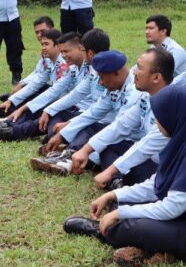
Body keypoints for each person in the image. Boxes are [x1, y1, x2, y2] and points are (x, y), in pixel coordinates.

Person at [62, 86, 186, 267]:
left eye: (159, 115)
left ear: (174, 115)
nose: (156, 121)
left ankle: (101, 231)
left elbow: (171, 208)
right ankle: (157, 250)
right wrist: (115, 195)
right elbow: (156, 184)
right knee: (123, 207)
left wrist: (120, 214)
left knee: (130, 227)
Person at [70, 48, 173, 190]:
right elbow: (121, 125)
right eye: (136, 66)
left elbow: (146, 146)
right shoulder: (146, 97)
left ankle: (117, 185)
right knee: (110, 147)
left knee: (130, 176)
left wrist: (110, 171)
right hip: (149, 161)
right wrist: (86, 150)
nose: (134, 72)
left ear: (156, 77)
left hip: (165, 170)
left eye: (140, 69)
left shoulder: (172, 106)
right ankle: (117, 183)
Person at [30, 50, 138, 174]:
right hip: (117, 137)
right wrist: (62, 135)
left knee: (105, 146)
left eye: (102, 78)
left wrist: (86, 153)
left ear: (116, 73)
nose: (101, 83)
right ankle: (68, 155)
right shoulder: (115, 87)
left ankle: (69, 161)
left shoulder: (134, 94)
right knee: (90, 126)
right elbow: (92, 112)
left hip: (130, 143)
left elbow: (118, 129)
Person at [0, 32, 84, 142]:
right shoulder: (70, 68)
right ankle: (2, 124)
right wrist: (15, 98)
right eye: (42, 44)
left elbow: (66, 96)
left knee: (46, 124)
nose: (64, 55)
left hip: (73, 109)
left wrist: (48, 110)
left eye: (46, 44)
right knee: (37, 106)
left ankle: (3, 125)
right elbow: (40, 81)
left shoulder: (74, 68)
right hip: (66, 107)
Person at [35, 28, 110, 153]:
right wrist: (48, 111)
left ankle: (66, 151)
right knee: (55, 117)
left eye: (83, 50)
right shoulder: (93, 71)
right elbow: (75, 94)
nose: (63, 55)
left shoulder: (110, 76)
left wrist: (69, 124)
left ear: (90, 53)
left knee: (87, 135)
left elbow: (97, 111)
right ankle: (62, 145)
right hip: (89, 116)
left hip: (100, 122)